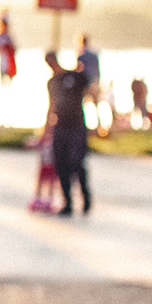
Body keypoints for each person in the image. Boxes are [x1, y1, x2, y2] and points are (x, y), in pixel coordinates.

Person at [44, 52, 94, 215]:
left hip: (77, 126)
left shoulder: (76, 77)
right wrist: (46, 132)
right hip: (60, 126)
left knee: (76, 162)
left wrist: (98, 122)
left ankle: (85, 197)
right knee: (61, 165)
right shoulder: (52, 82)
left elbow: (93, 94)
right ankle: (68, 203)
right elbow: (51, 106)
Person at [0, 12, 18, 85]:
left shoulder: (8, 37)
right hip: (2, 62)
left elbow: (14, 48)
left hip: (9, 63)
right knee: (3, 80)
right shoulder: (0, 37)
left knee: (9, 80)